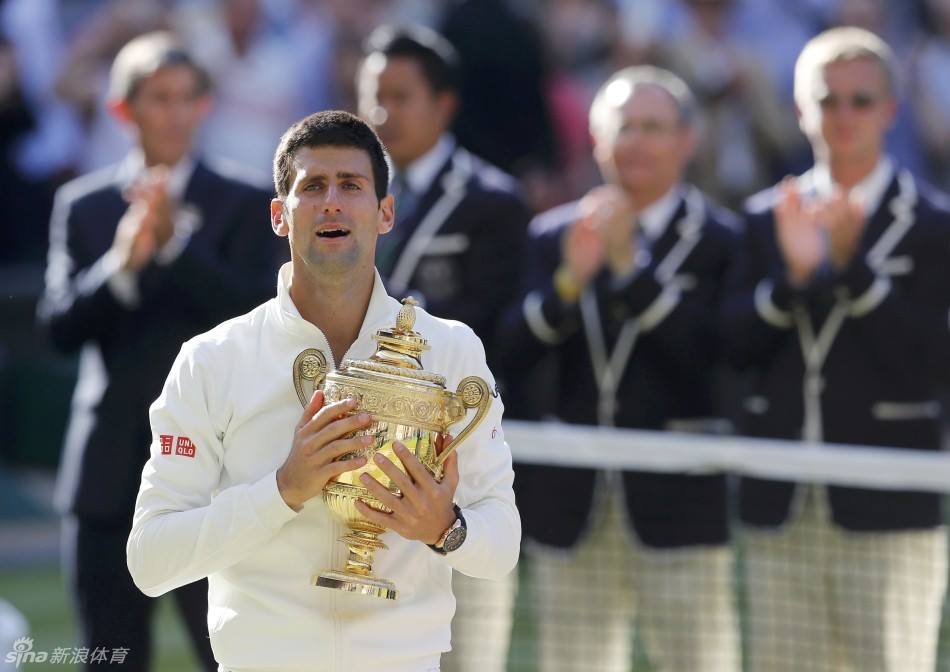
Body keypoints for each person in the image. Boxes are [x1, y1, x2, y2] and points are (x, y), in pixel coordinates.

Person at [126, 110, 520, 672]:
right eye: (312, 187)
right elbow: (150, 560)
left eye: (351, 185)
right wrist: (283, 490)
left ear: (386, 213)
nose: (331, 203)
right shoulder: (211, 359)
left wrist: (445, 528)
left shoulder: (451, 349)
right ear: (279, 217)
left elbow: (502, 543)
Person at [37, 32, 279, 671]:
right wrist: (120, 267)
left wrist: (175, 248)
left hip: (219, 477)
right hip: (108, 476)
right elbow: (57, 329)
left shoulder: (247, 201)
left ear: (205, 106)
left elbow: (260, 319)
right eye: (157, 98)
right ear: (123, 109)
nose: (174, 114)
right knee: (110, 659)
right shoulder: (84, 206)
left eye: (185, 98)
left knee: (235, 658)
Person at [721, 26, 950, 672]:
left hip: (890, 508)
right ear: (801, 110)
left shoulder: (934, 225)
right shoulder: (764, 217)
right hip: (781, 505)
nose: (844, 115)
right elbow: (732, 348)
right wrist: (793, 281)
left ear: (890, 111)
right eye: (827, 99)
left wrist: (853, 272)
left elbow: (932, 362)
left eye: (861, 100)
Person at [500, 65, 740, 672]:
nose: (635, 141)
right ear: (596, 141)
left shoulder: (722, 240)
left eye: (653, 127)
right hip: (572, 506)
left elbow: (714, 366)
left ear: (686, 140)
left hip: (681, 506)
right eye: (622, 127)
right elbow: (510, 357)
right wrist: (567, 284)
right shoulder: (552, 235)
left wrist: (632, 273)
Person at [357, 28, 530, 671]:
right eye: (372, 97)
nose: (382, 114)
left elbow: (495, 338)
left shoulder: (494, 202)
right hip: (361, 465)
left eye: (400, 97)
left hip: (457, 465)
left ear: (444, 104)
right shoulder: (345, 194)